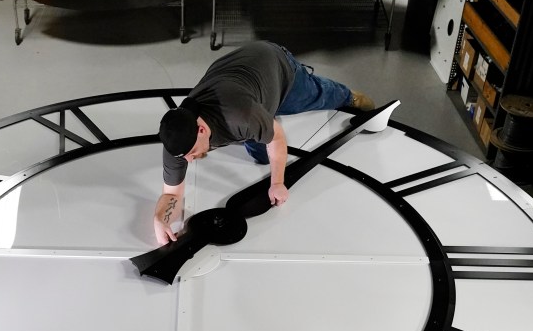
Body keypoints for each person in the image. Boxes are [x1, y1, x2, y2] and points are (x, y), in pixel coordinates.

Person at [154, 40, 374, 245]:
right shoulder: (177, 140)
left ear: (201, 130)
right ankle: (266, 116)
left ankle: (351, 96)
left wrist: (277, 183)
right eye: (185, 157)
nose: (189, 160)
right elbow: (171, 194)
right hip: (242, 82)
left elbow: (277, 138)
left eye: (192, 152)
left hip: (276, 65)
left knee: (318, 95)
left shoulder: (240, 117)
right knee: (260, 155)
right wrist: (160, 219)